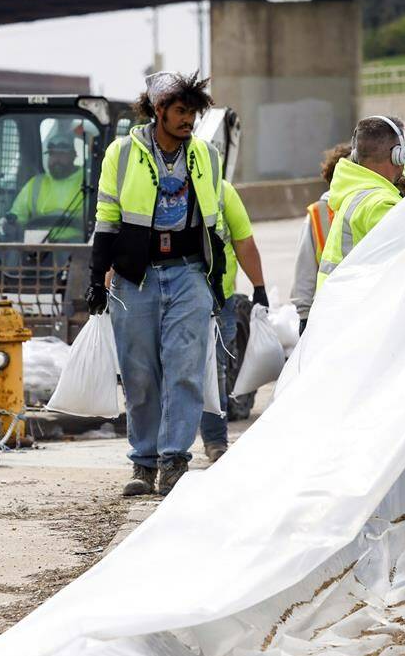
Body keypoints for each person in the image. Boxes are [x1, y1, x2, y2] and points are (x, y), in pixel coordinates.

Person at [85, 71, 227, 498]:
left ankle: (174, 461)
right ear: (158, 110)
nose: (188, 121)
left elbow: (213, 226)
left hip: (188, 272)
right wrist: (97, 278)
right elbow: (107, 220)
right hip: (137, 276)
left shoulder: (206, 155)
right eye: (181, 112)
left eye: (193, 113)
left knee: (185, 368)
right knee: (140, 372)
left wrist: (215, 282)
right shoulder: (122, 153)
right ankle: (143, 464)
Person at [200, 179, 269, 463]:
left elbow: (243, 241)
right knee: (193, 370)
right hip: (182, 296)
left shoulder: (221, 190)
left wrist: (259, 287)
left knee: (215, 370)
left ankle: (215, 440)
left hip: (220, 299)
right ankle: (166, 448)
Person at [315, 116, 405, 291]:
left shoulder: (353, 194)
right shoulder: (380, 204)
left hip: (334, 304)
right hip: (354, 307)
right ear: (397, 155)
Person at [289, 142, 351, 334]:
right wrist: (304, 314)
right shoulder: (319, 213)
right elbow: (305, 268)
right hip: (329, 312)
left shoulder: (373, 203)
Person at [6, 135, 85, 243]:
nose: (56, 159)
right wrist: (12, 225)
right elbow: (17, 217)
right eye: (52, 154)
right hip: (38, 248)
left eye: (62, 154)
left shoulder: (88, 182)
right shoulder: (36, 183)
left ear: (73, 155)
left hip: (78, 249)